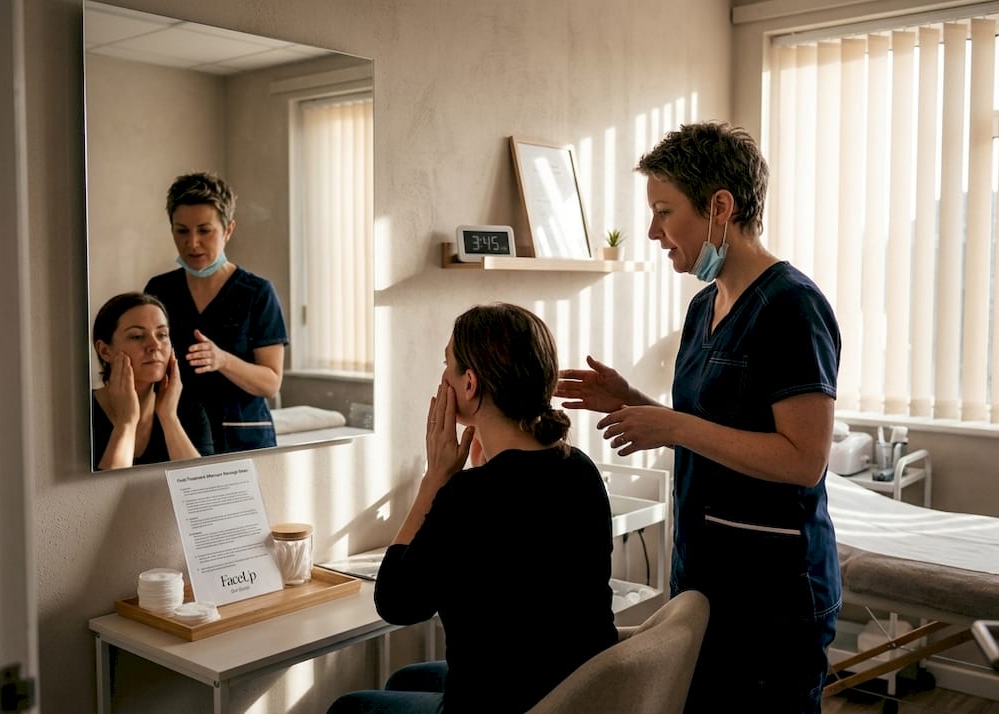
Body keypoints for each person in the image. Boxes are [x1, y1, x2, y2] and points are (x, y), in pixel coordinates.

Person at [555, 122, 842, 713]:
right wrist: (632, 400)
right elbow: (717, 427)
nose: (653, 232)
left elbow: (804, 460)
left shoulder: (792, 307)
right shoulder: (703, 307)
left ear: (719, 208)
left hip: (774, 598)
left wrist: (674, 426)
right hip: (708, 582)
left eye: (664, 210)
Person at [328, 303, 618, 714]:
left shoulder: (468, 496)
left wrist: (434, 480)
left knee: (349, 707)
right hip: (580, 692)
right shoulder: (580, 469)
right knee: (405, 679)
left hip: (503, 703)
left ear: (470, 383)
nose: (442, 377)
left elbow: (396, 602)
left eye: (447, 364)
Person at [144, 172, 288, 454]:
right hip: (176, 436)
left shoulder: (256, 293)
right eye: (182, 231)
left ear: (228, 230)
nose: (192, 243)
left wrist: (222, 360)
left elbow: (272, 383)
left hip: (242, 439)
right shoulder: (159, 290)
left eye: (204, 230)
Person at [90, 292, 213, 470]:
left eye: (162, 334)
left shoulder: (190, 412)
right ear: (105, 351)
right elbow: (96, 495)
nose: (155, 345)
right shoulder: (79, 416)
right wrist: (126, 423)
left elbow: (200, 490)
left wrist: (169, 419)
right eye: (137, 336)